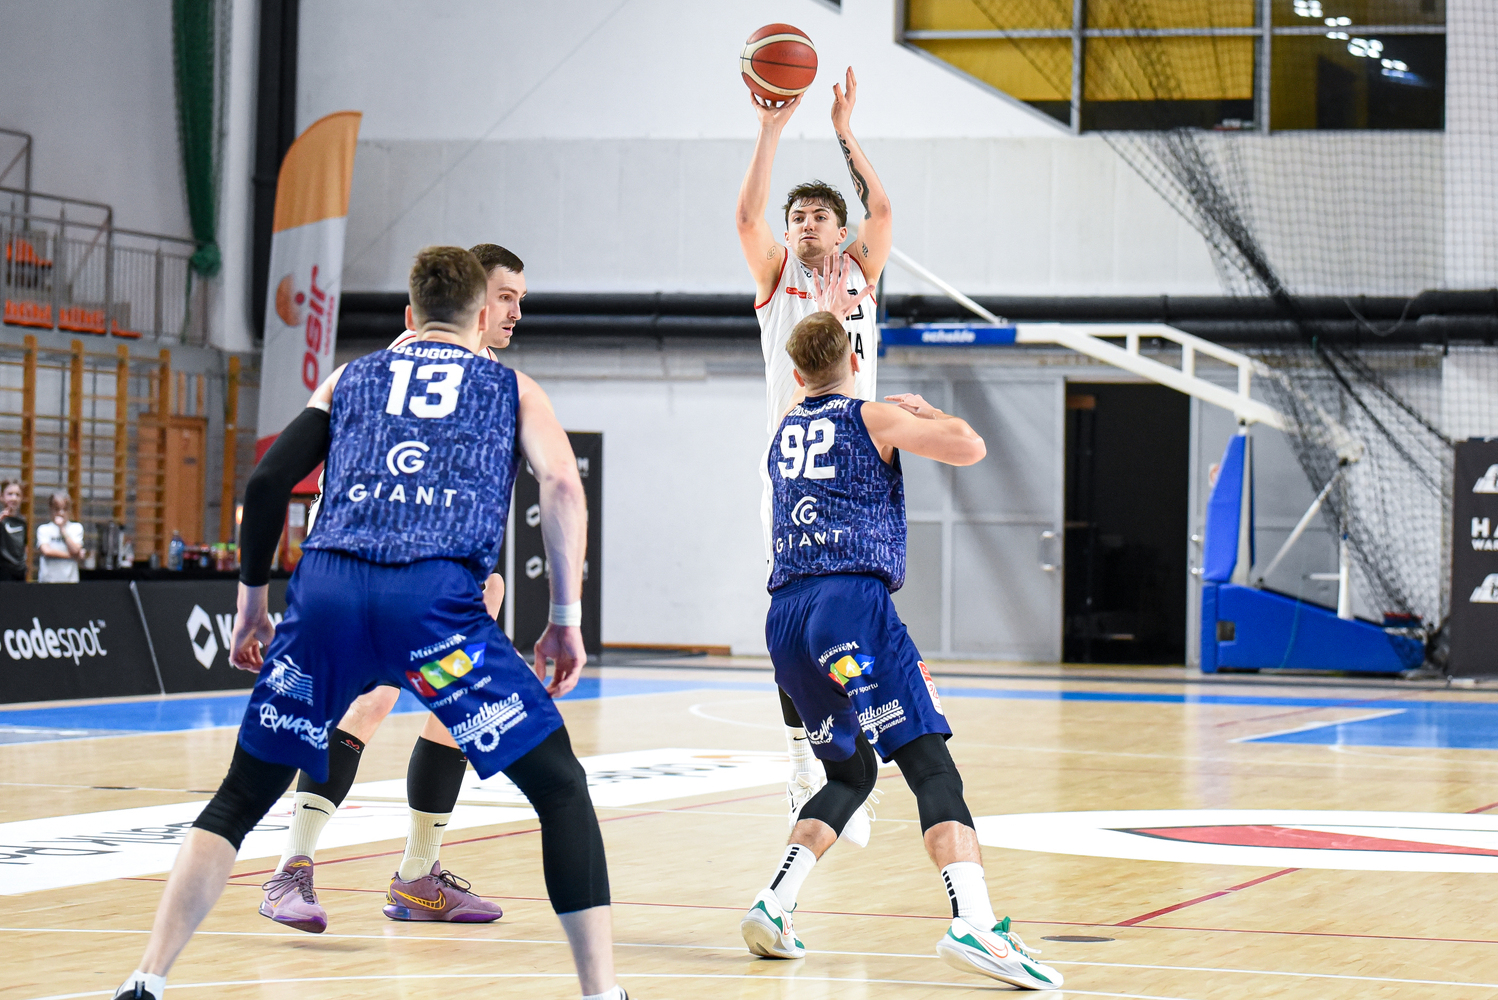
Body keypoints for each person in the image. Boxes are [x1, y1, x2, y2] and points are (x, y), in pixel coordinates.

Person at [113, 247, 626, 1000]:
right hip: (433, 608)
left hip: (329, 599)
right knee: (560, 789)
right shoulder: (510, 386)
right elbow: (561, 486)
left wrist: (252, 605)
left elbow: (268, 480)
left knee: (238, 798)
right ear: (479, 315)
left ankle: (146, 978)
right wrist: (565, 618)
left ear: (410, 316)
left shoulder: (351, 375)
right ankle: (602, 992)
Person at [737, 312, 1062, 991]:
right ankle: (975, 923)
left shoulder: (783, 430)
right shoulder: (872, 416)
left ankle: (775, 903)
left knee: (851, 776)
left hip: (786, 619)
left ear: (796, 373)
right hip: (849, 605)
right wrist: (926, 412)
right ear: (854, 361)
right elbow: (969, 446)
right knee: (931, 767)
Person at [259, 242, 530, 933]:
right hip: (371, 567)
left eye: (519, 301)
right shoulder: (412, 364)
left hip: (438, 573)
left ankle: (417, 875)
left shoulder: (489, 374)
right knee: (369, 703)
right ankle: (291, 867)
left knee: (456, 708)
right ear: (472, 299)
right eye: (504, 297)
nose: (513, 312)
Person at [735, 66, 894, 837]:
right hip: (793, 467)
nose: (803, 224)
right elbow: (745, 216)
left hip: (857, 470)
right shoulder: (777, 279)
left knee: (856, 620)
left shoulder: (861, 271)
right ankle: (805, 762)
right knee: (795, 622)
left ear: (839, 230)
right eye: (795, 215)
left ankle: (844, 760)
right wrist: (770, 128)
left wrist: (843, 130)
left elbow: (883, 209)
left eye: (817, 215)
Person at [36, 491, 85, 583]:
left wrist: (62, 530)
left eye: (65, 509)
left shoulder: (76, 528)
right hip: (48, 581)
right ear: (51, 509)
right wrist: (71, 556)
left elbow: (75, 550)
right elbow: (47, 551)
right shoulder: (44, 529)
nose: (61, 513)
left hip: (70, 580)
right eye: (57, 509)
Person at [0, 480, 25, 581]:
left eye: (17, 495)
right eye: (10, 494)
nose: (14, 498)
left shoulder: (22, 522)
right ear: (2, 496)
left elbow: (24, 546)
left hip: (19, 572)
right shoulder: (1, 520)